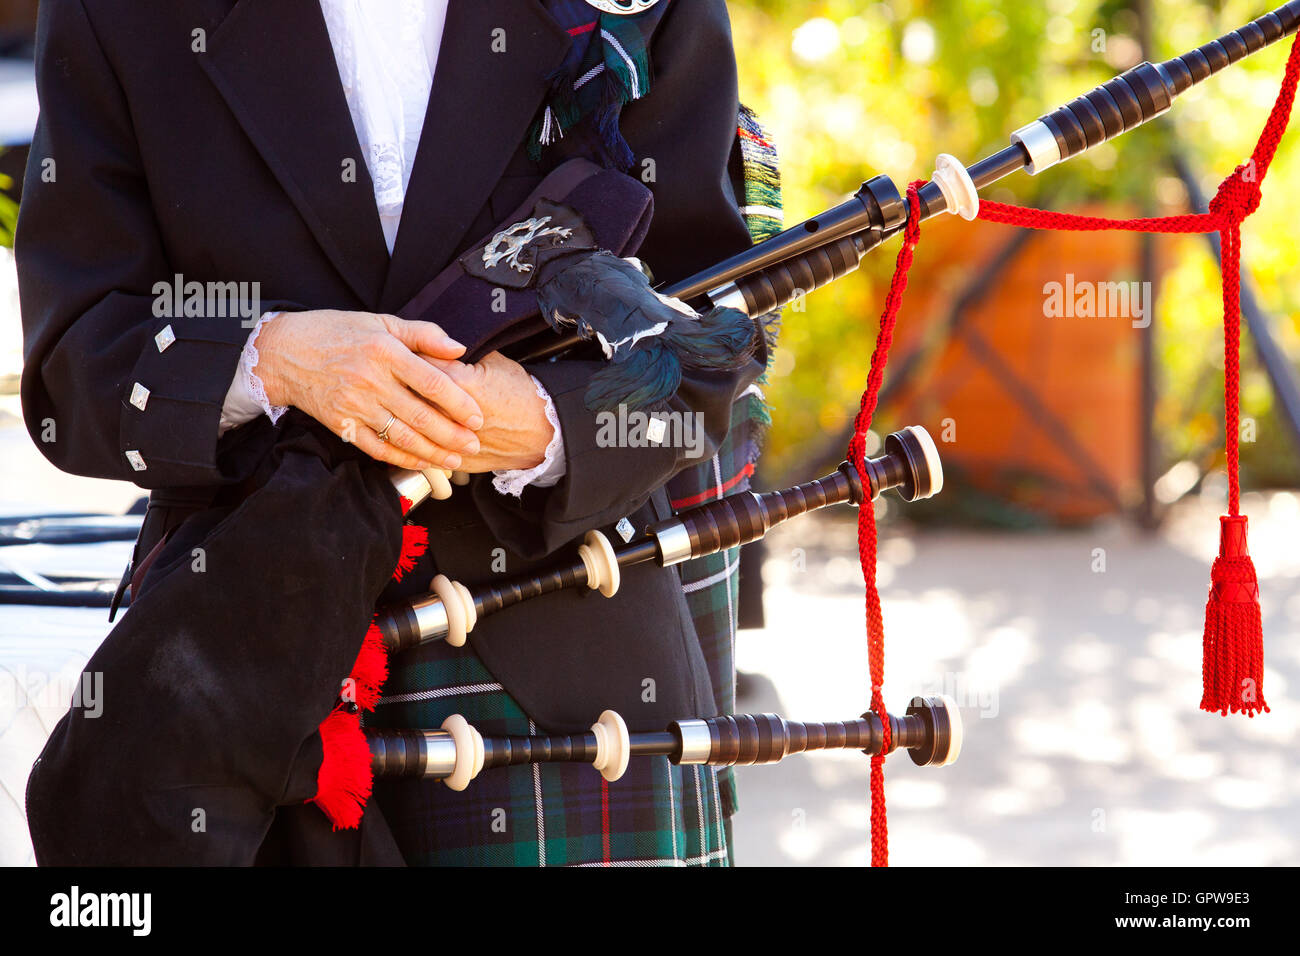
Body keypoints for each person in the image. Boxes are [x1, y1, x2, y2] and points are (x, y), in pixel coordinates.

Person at [18, 0, 767, 865]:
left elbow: (714, 332)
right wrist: (272, 361)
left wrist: (545, 422)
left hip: (571, 683)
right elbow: (72, 370)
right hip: (240, 676)